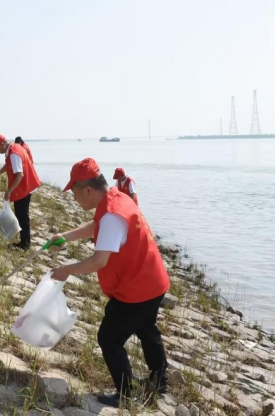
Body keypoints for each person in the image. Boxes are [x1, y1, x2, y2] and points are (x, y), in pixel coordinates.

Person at [50, 157, 170, 406]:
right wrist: (66, 237)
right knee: (148, 330)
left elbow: (99, 261)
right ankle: (160, 382)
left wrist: (66, 270)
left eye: (75, 193)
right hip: (152, 280)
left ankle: (126, 393)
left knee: (109, 338)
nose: (74, 199)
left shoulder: (112, 216)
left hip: (137, 288)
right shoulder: (117, 198)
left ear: (88, 190)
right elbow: (97, 226)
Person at [0, 133, 41, 250]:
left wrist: (9, 191)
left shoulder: (13, 153)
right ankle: (24, 241)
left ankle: (25, 244)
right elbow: (8, 165)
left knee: (22, 215)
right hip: (25, 185)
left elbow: (20, 174)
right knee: (21, 214)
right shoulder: (12, 149)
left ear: (2, 144)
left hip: (25, 186)